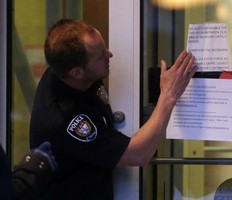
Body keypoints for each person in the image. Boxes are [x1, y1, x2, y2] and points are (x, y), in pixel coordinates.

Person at [29, 18, 197, 199]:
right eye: (101, 55)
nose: (109, 54)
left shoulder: (68, 72)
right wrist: (169, 95)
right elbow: (138, 154)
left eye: (104, 47)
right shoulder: (63, 118)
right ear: (77, 72)